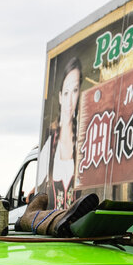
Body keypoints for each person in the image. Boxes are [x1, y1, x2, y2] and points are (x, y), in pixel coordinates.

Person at [38, 55, 83, 208]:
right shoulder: (50, 145)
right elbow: (38, 187)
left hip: (76, 228)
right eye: (66, 93)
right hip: (53, 226)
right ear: (59, 96)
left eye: (75, 91)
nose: (70, 100)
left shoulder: (84, 142)